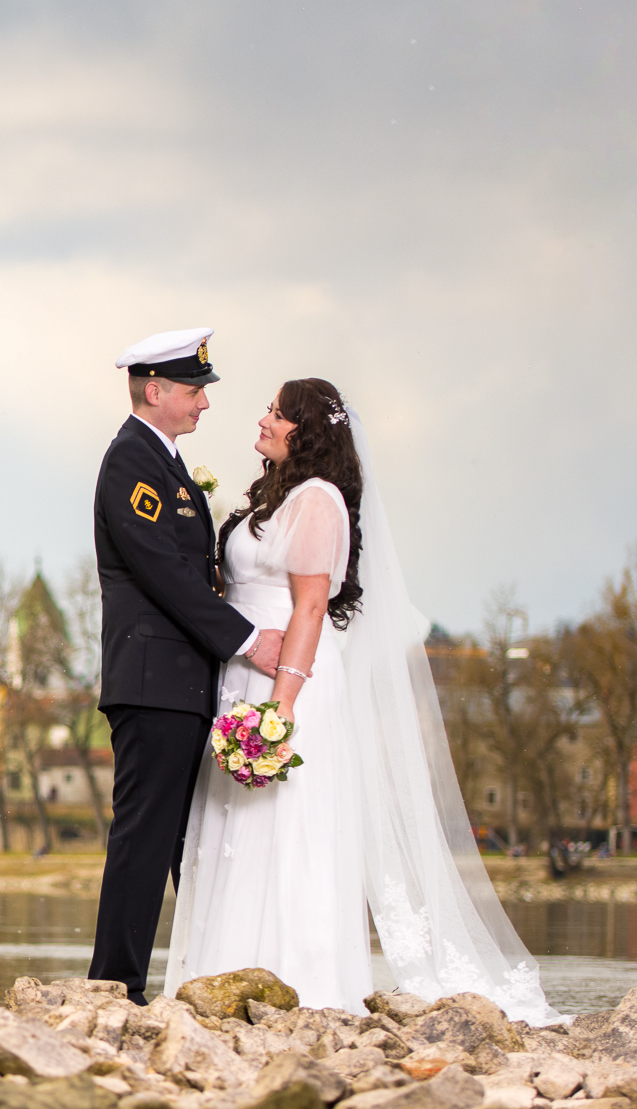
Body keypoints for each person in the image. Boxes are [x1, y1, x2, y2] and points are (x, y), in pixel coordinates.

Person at [163, 377, 561, 1023]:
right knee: (237, 825)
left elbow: (312, 606)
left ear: (308, 431)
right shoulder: (277, 495)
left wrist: (282, 703)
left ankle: (301, 977)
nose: (262, 419)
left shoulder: (317, 500)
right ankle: (221, 974)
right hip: (242, 674)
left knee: (282, 824)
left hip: (285, 678)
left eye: (277, 413)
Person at [86, 327, 283, 1005]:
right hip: (153, 682)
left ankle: (176, 977)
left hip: (179, 683)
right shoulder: (129, 463)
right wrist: (248, 640)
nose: (203, 403)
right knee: (145, 835)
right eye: (195, 390)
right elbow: (166, 574)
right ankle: (115, 986)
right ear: (155, 389)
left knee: (175, 838)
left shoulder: (161, 463)